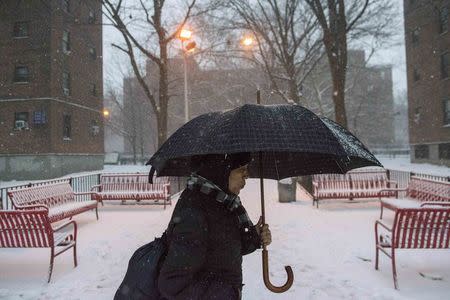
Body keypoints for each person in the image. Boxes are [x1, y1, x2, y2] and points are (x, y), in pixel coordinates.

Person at [158, 152, 272, 300]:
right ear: (221, 170)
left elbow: (223, 248)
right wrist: (225, 293)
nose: (247, 175)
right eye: (241, 170)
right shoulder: (193, 211)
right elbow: (173, 284)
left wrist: (255, 237)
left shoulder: (224, 203)